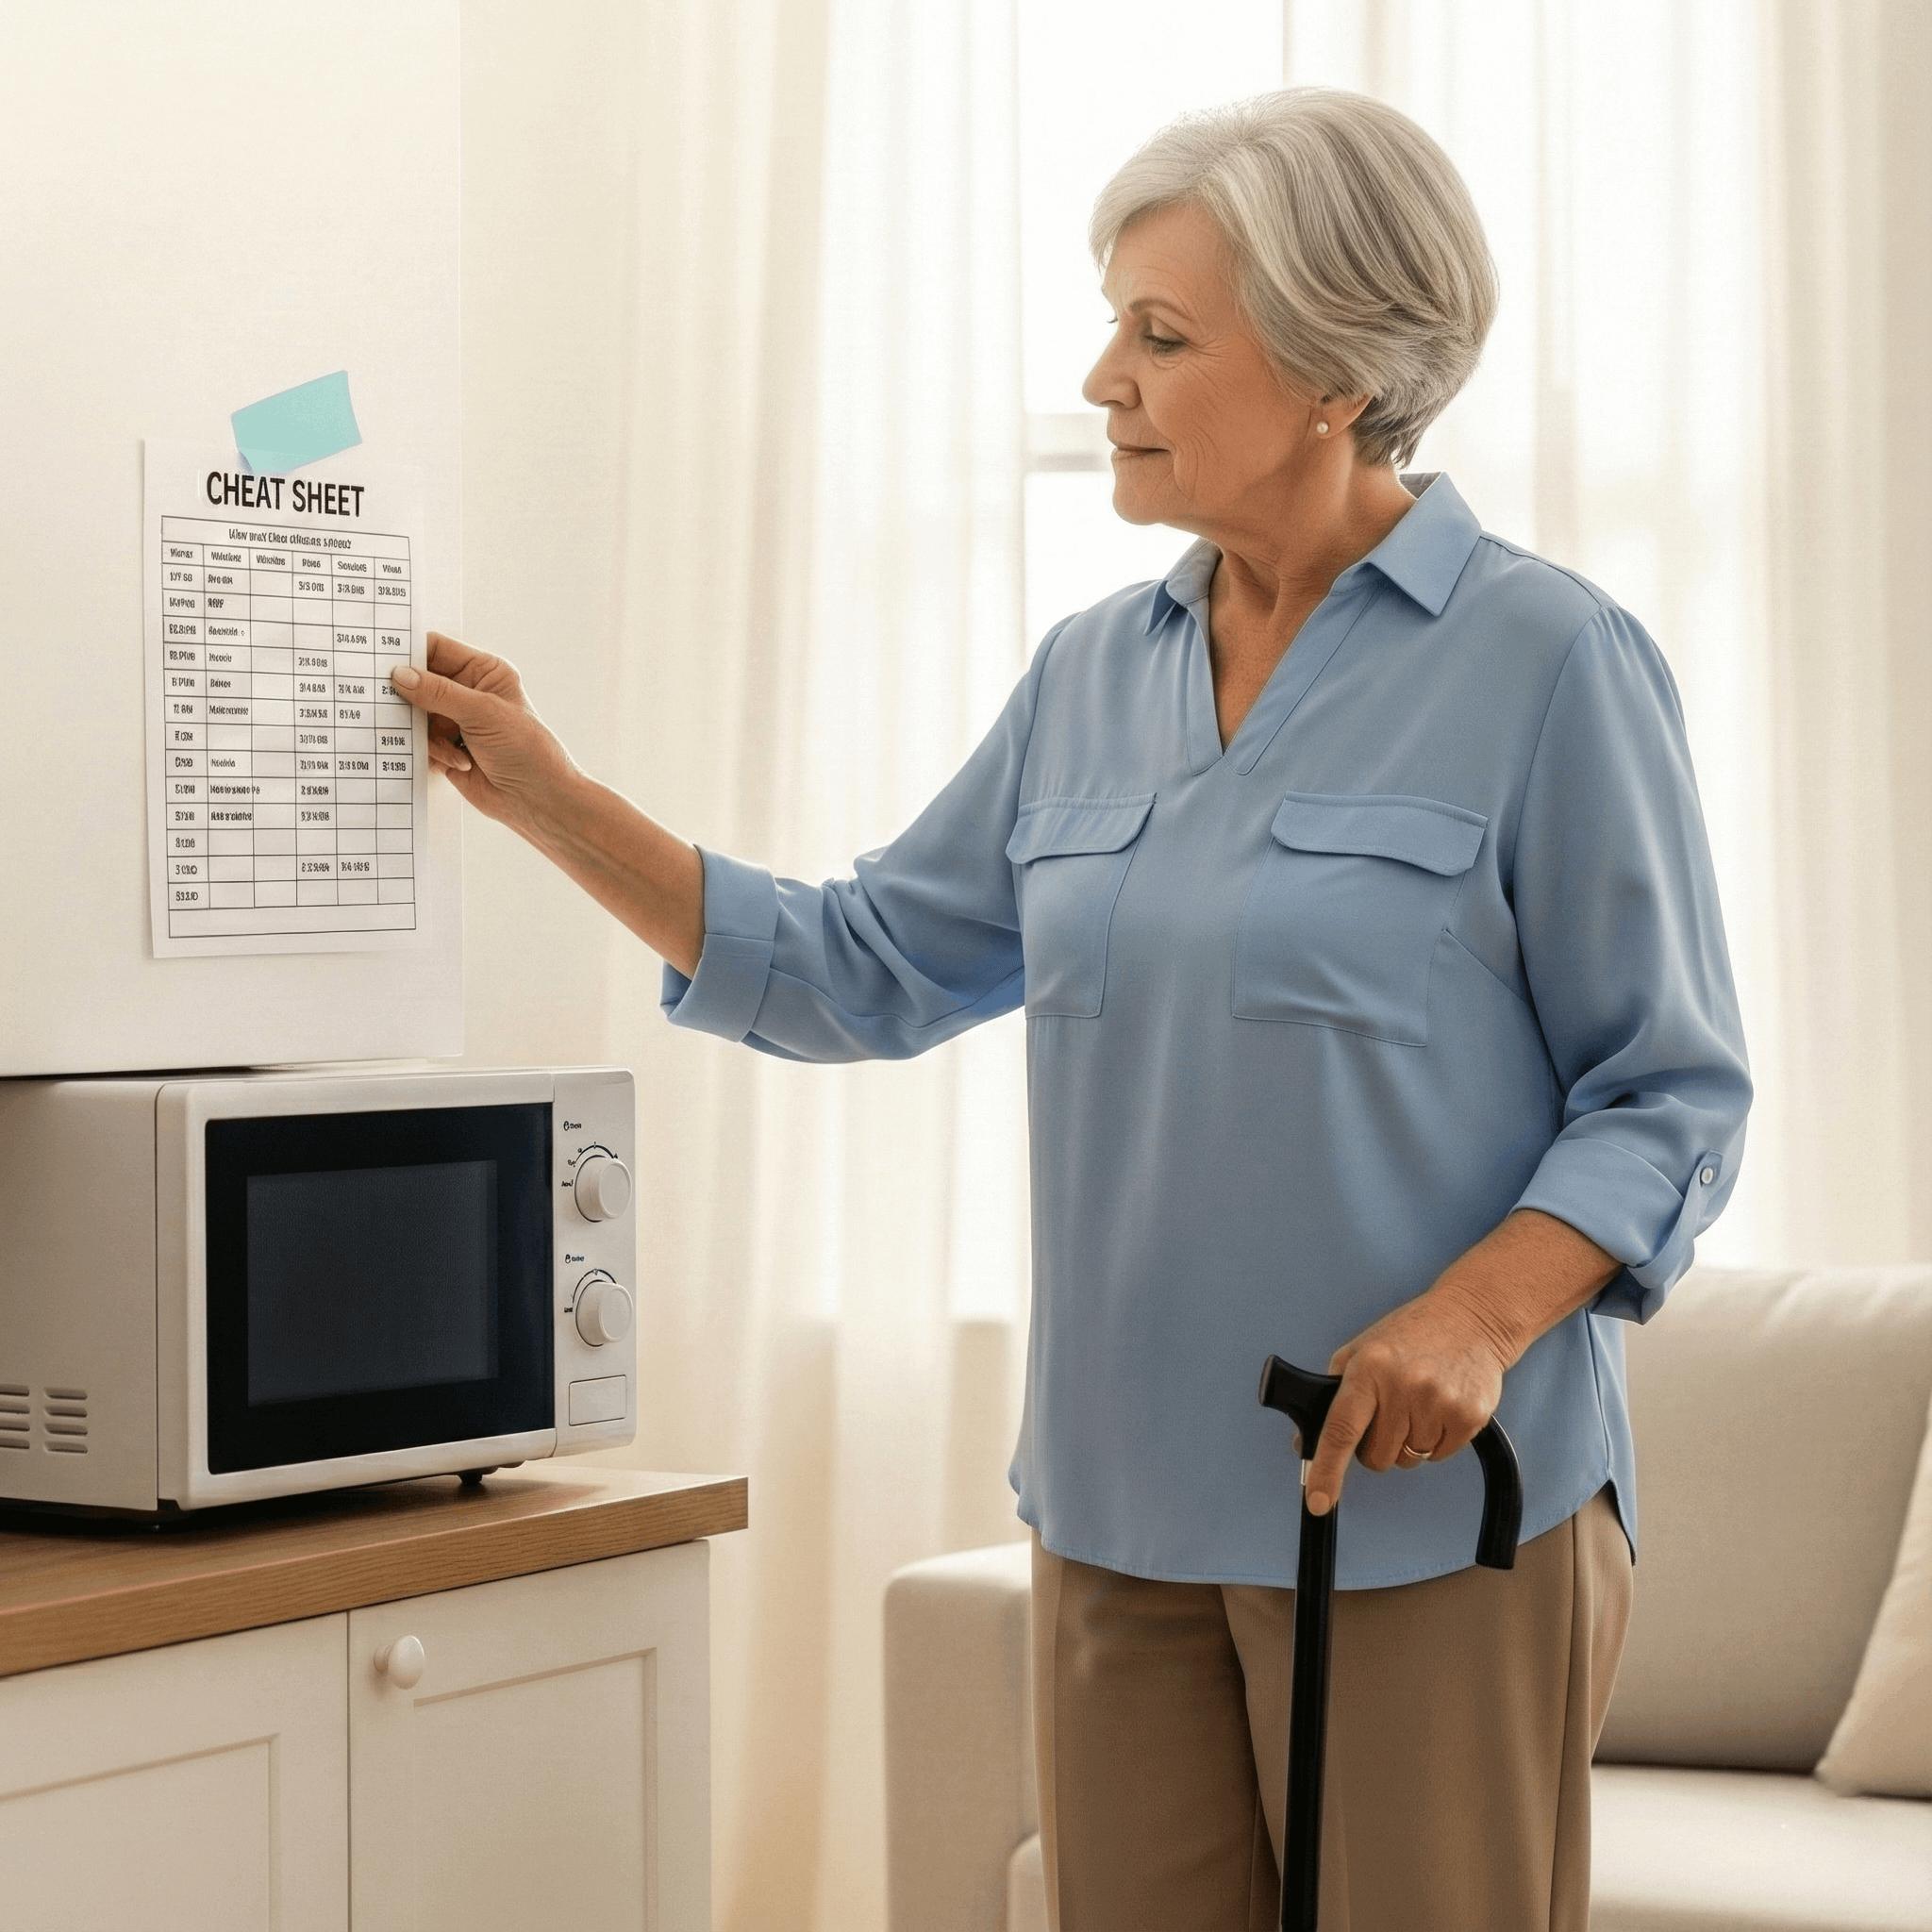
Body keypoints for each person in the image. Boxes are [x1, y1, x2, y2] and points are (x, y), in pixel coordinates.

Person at [389, 83, 1752, 1932]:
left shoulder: (1548, 664)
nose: (1102, 376)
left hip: (1427, 1527)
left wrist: (1472, 1314)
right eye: (1116, 322)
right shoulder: (1087, 680)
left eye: (1158, 333)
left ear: (1336, 369)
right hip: (1114, 1509)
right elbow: (858, 966)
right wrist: (544, 792)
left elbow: (1667, 1088)